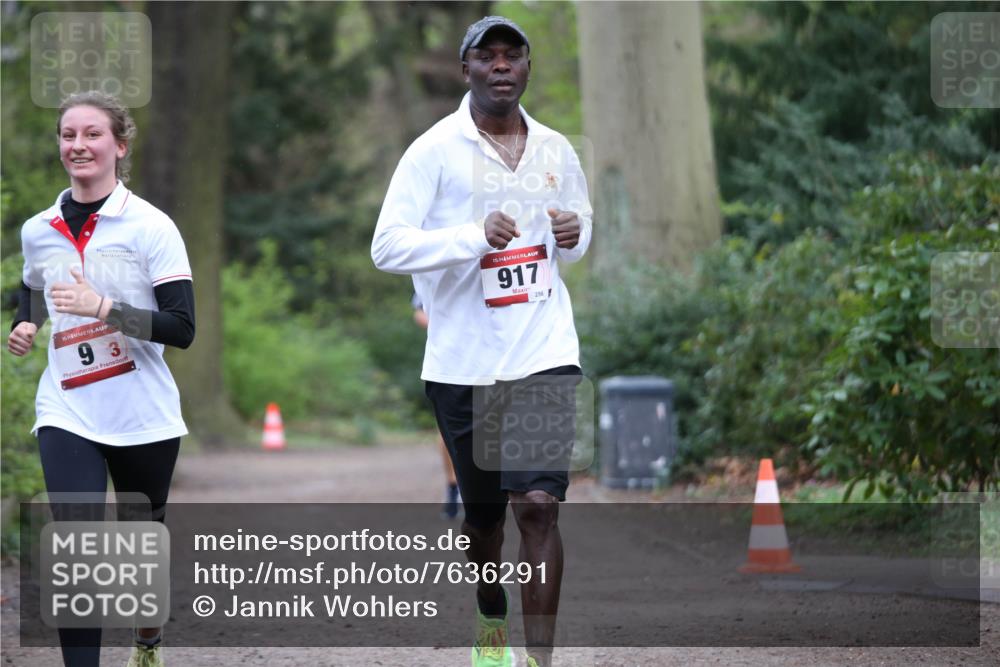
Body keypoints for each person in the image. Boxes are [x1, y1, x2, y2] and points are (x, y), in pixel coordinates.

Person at [372, 16, 592, 667]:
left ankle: (539, 659)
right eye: (487, 56)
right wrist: (471, 237)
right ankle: (490, 608)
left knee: (540, 506)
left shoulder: (557, 149)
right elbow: (387, 245)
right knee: (486, 521)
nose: (502, 66)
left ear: (527, 69)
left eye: (513, 55)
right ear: (466, 69)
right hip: (463, 362)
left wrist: (578, 235)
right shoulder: (432, 151)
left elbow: (576, 241)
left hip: (543, 349)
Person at [7, 91, 195, 667]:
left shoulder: (151, 227)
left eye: (92, 134)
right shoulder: (38, 228)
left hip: (141, 412)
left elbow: (182, 328)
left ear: (119, 145)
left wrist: (103, 308)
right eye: (68, 134)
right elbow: (33, 286)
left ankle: (147, 639)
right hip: (67, 408)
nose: (78, 145)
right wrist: (25, 322)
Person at [412, 294, 462, 519]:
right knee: (448, 429)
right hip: (451, 358)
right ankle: (453, 486)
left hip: (497, 356)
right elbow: (419, 311)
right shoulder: (438, 259)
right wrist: (446, 326)